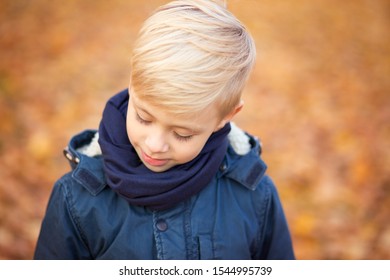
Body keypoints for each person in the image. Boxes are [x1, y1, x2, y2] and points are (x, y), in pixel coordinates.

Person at [34, 0, 295, 260]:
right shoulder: (78, 197)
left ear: (225, 117)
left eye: (182, 134)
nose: (155, 144)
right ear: (132, 85)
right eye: (144, 118)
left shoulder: (254, 196)